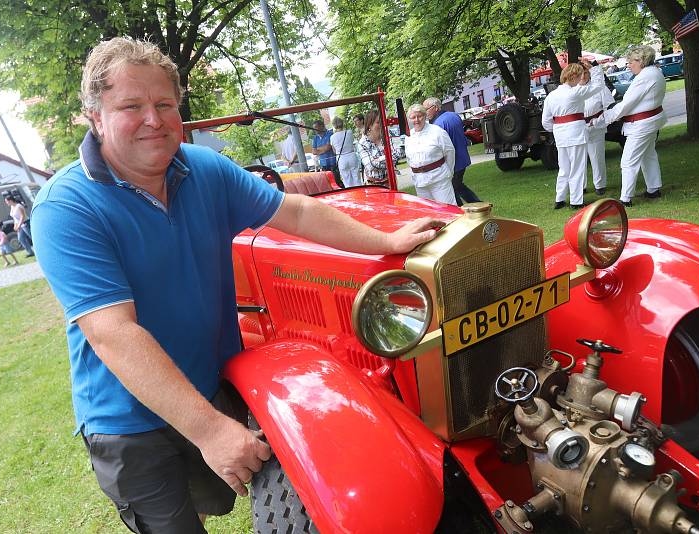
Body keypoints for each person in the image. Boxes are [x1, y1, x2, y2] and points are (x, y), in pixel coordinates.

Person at [31, 37, 441, 533]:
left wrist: (386, 239)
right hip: (128, 421)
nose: (154, 120)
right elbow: (113, 334)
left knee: (212, 501)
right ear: (95, 116)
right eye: (131, 106)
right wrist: (209, 430)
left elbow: (298, 210)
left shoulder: (203, 168)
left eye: (164, 104)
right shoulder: (66, 207)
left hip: (207, 382)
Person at [596, 45, 667, 206]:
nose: (628, 65)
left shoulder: (645, 77)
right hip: (649, 122)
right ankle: (653, 189)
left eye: (630, 62)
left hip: (641, 125)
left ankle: (625, 199)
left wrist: (604, 119)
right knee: (648, 155)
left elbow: (627, 104)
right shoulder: (654, 72)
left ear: (641, 61)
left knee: (628, 161)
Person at [541, 59, 604, 209]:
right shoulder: (575, 92)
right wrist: (595, 70)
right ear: (574, 77)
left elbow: (546, 122)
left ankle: (560, 199)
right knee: (577, 167)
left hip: (560, 135)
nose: (581, 79)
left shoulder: (551, 96)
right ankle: (576, 201)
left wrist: (558, 129)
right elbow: (598, 86)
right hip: (575, 132)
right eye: (580, 76)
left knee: (564, 168)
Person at [422, 97, 481, 205]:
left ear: (435, 108)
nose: (425, 113)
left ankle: (461, 211)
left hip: (452, 163)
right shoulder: (454, 115)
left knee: (452, 189)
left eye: (426, 109)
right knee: (458, 185)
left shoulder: (437, 126)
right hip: (463, 159)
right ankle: (477, 204)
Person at [404, 104, 457, 204]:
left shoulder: (437, 132)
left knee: (448, 210)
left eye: (419, 116)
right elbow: (409, 159)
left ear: (425, 116)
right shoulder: (408, 137)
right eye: (413, 117)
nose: (417, 120)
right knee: (429, 213)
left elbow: (450, 152)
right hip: (420, 182)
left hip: (439, 179)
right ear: (409, 119)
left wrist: (448, 172)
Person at [581, 68, 616, 196]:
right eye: (580, 73)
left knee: (597, 156)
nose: (583, 76)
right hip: (578, 127)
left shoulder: (599, 88)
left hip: (596, 125)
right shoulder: (572, 90)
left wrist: (598, 121)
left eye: (585, 72)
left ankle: (600, 185)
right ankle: (580, 186)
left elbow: (610, 107)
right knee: (578, 158)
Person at [357, 109, 400, 186]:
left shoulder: (388, 135)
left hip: (390, 182)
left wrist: (378, 159)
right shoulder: (363, 143)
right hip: (372, 184)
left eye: (382, 121)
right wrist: (388, 160)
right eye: (378, 122)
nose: (382, 124)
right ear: (370, 125)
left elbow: (397, 155)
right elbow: (370, 165)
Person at [330, 117, 360, 187]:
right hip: (351, 156)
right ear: (342, 123)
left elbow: (334, 151)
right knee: (357, 178)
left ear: (334, 125)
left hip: (341, 159)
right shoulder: (349, 132)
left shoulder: (332, 137)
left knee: (347, 181)